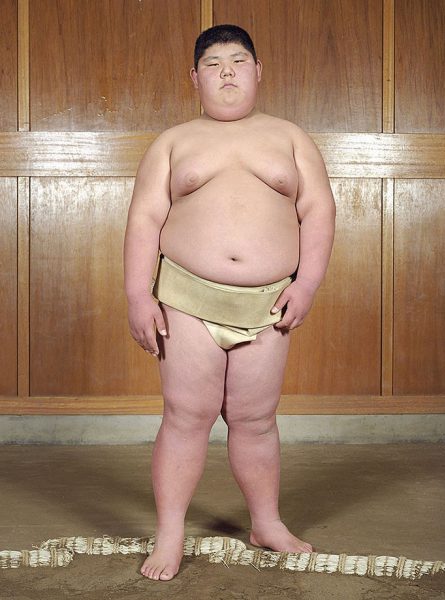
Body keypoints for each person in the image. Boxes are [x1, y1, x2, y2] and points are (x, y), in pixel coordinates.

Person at [123, 24, 336, 582]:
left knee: (256, 419)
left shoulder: (290, 138)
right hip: (187, 298)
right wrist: (137, 294)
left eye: (238, 61)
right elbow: (144, 218)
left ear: (258, 72)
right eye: (212, 64)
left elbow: (318, 211)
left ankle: (266, 522)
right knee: (185, 416)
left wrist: (307, 284)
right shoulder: (173, 143)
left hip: (266, 303)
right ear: (193, 78)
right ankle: (170, 533)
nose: (226, 72)